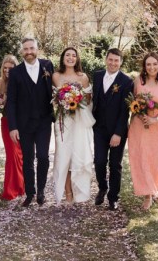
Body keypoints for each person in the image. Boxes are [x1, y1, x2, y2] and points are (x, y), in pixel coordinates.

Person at [6, 37, 55, 207]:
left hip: (44, 121)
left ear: (37, 49)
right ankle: (30, 192)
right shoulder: (15, 72)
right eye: (25, 49)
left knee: (43, 156)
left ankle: (41, 191)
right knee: (27, 158)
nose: (29, 52)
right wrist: (13, 127)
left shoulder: (48, 65)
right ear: (21, 51)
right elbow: (11, 101)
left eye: (31, 48)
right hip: (24, 124)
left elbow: (54, 90)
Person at [128, 52, 158, 210]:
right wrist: (140, 114)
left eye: (154, 64)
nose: (152, 67)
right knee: (143, 158)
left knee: (157, 160)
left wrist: (156, 119)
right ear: (144, 66)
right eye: (148, 64)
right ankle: (147, 195)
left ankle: (154, 187)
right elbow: (132, 101)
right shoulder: (138, 81)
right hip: (140, 126)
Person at [51, 47, 96, 205]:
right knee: (64, 157)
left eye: (73, 56)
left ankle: (79, 193)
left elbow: (89, 100)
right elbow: (55, 99)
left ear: (77, 59)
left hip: (78, 121)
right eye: (67, 55)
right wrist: (64, 100)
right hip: (63, 121)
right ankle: (68, 193)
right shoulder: (56, 76)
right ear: (63, 58)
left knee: (77, 157)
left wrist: (77, 100)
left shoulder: (83, 77)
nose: (70, 58)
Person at [92, 48, 133, 211]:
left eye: (116, 60)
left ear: (121, 62)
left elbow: (125, 111)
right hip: (99, 128)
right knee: (99, 161)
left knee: (115, 164)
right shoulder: (97, 76)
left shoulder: (126, 81)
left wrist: (118, 133)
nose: (113, 63)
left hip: (117, 130)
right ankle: (103, 187)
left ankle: (113, 198)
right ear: (106, 59)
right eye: (110, 59)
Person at [0, 54, 25, 200]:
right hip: (7, 122)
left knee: (20, 155)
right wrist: (0, 102)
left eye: (10, 68)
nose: (7, 70)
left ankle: (21, 186)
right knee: (12, 155)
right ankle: (10, 189)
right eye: (5, 68)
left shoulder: (21, 81)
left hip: (22, 123)